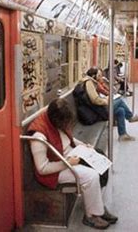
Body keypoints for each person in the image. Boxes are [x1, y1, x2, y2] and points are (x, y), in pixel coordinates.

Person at [27, 98, 118, 229]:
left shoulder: (56, 121)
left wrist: (84, 146)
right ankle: (91, 215)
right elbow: (42, 168)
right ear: (57, 121)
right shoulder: (39, 136)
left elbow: (69, 140)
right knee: (91, 176)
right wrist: (67, 163)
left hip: (69, 157)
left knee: (100, 160)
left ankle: (98, 207)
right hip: (55, 170)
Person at [83, 67, 138, 141]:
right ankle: (130, 117)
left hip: (98, 108)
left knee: (121, 110)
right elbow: (95, 100)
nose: (100, 77)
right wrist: (106, 100)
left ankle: (123, 135)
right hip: (97, 111)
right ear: (93, 76)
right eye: (99, 75)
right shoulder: (89, 83)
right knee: (120, 101)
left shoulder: (93, 82)